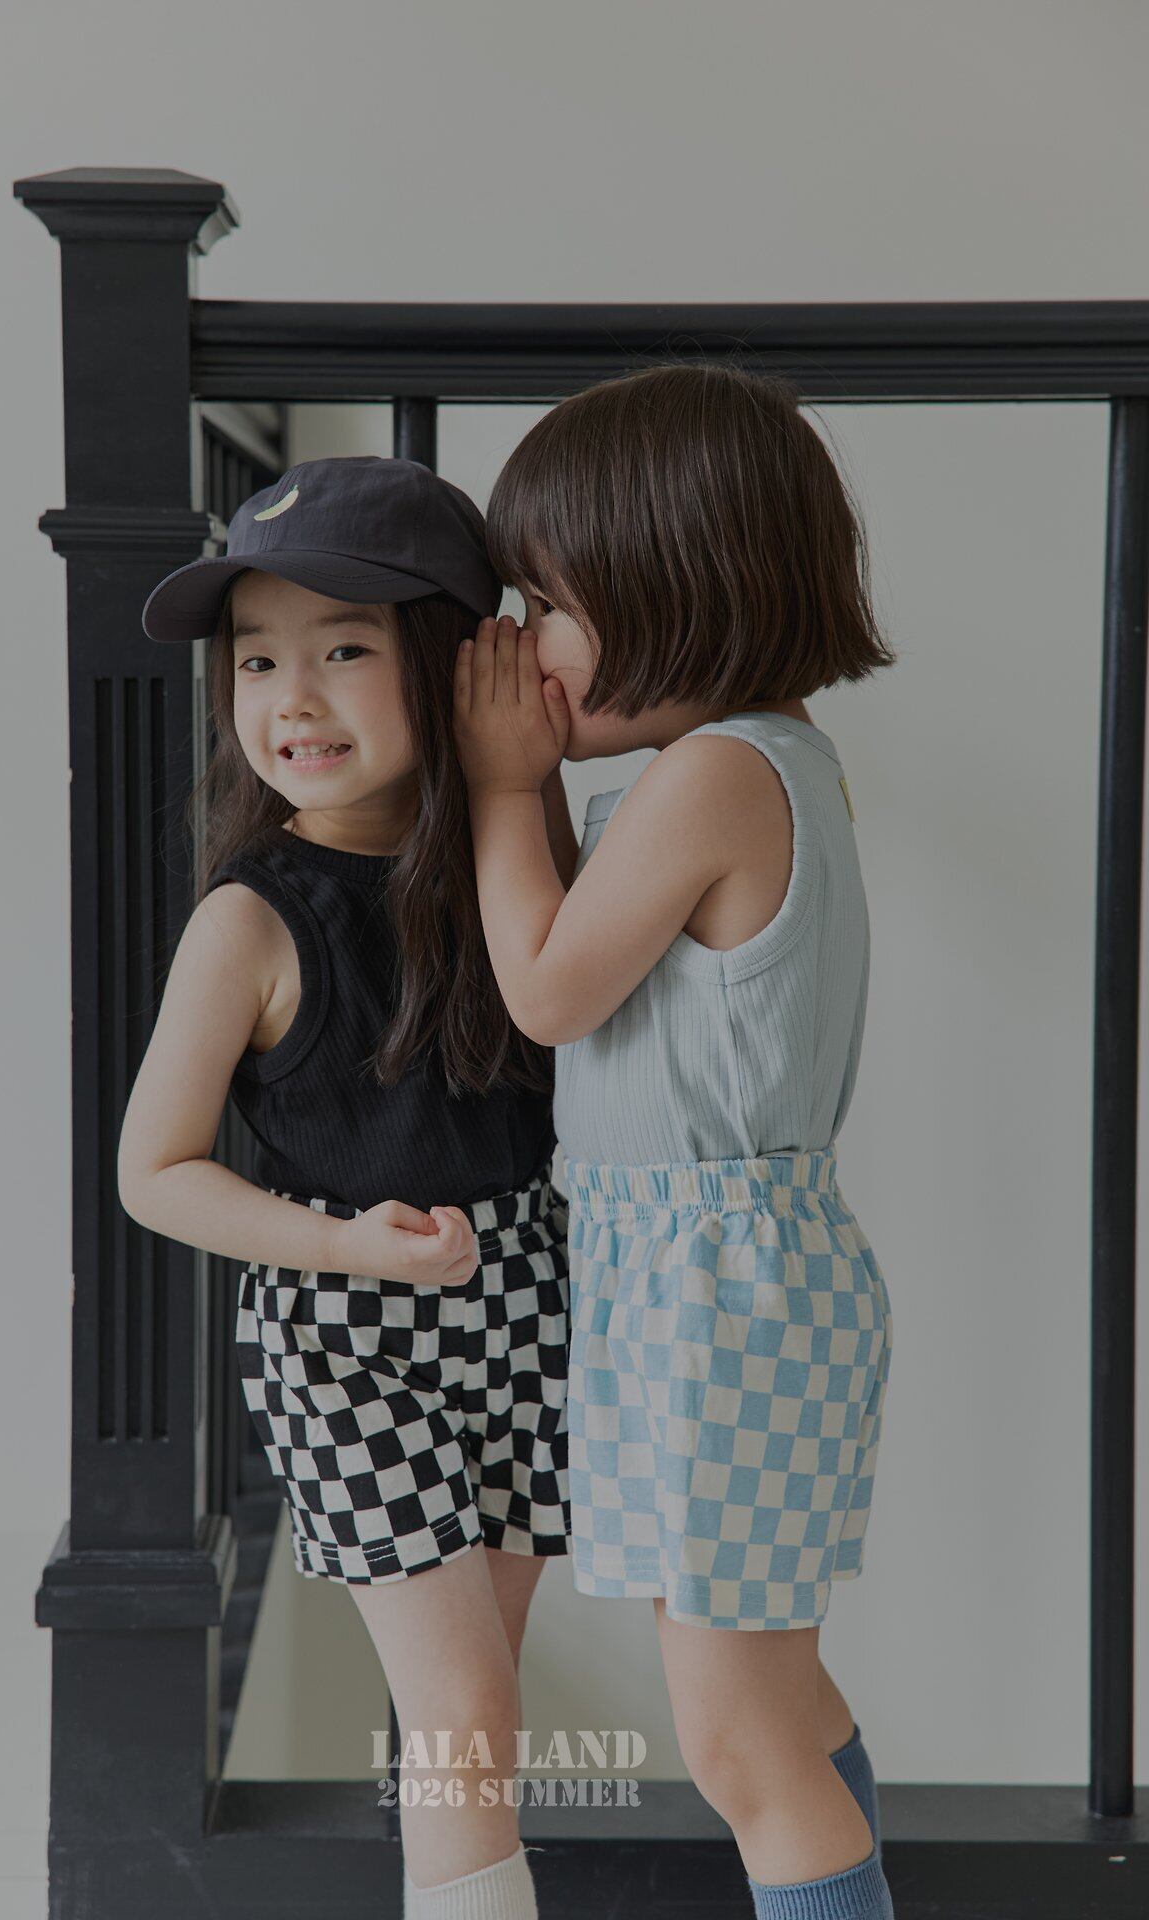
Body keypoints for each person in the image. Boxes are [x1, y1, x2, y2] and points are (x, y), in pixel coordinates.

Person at [452, 365, 898, 1920]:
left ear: (679, 589)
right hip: (719, 1291)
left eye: (549, 608)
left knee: (738, 1740)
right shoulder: (758, 761)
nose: (525, 649)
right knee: (776, 1704)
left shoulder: (719, 774)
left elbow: (548, 987)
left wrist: (501, 784)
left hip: (718, 1307)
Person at [119, 455, 573, 1920]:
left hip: (530, 1308)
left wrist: (515, 783)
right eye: (257, 659)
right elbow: (155, 1173)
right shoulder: (250, 919)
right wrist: (352, 1248)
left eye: (345, 650)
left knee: (482, 1702)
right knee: (464, 1711)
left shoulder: (513, 854)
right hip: (345, 1333)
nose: (291, 699)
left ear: (452, 662)